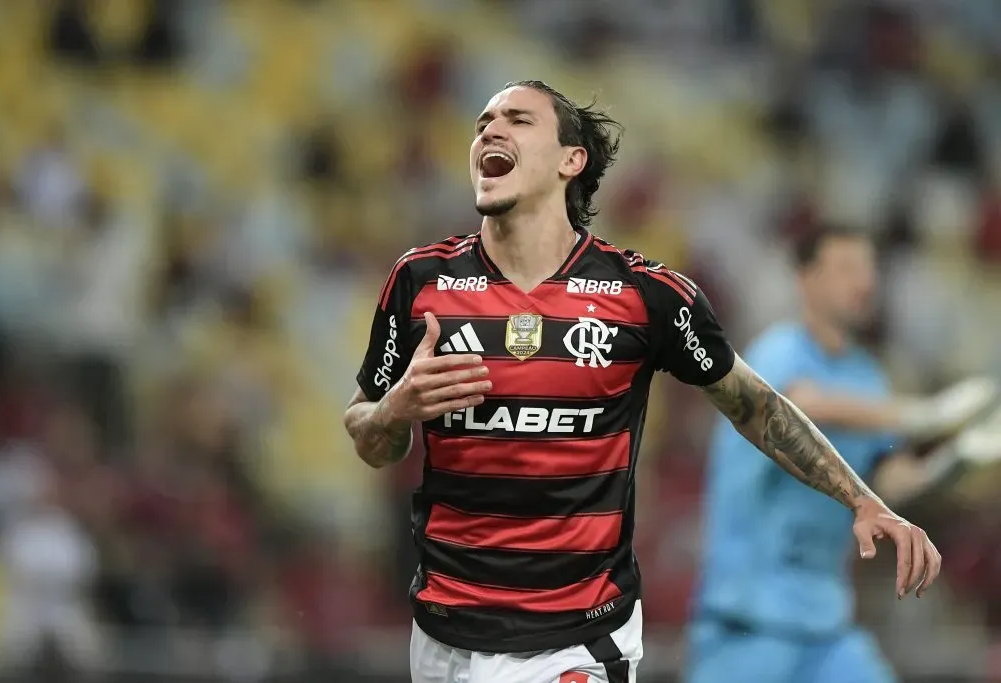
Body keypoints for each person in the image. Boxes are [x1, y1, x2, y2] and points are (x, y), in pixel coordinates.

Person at [343, 81, 942, 683]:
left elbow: (756, 407)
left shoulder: (645, 295)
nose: (489, 132)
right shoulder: (419, 281)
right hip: (441, 636)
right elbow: (369, 436)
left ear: (569, 161)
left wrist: (860, 499)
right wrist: (395, 410)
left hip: (573, 642)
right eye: (483, 122)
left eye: (517, 120)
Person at [686, 226, 999, 683]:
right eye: (848, 268)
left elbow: (887, 483)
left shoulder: (867, 378)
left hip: (827, 633)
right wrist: (924, 414)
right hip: (745, 633)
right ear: (806, 280)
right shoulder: (776, 352)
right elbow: (800, 408)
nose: (865, 282)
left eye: (870, 269)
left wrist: (952, 463)